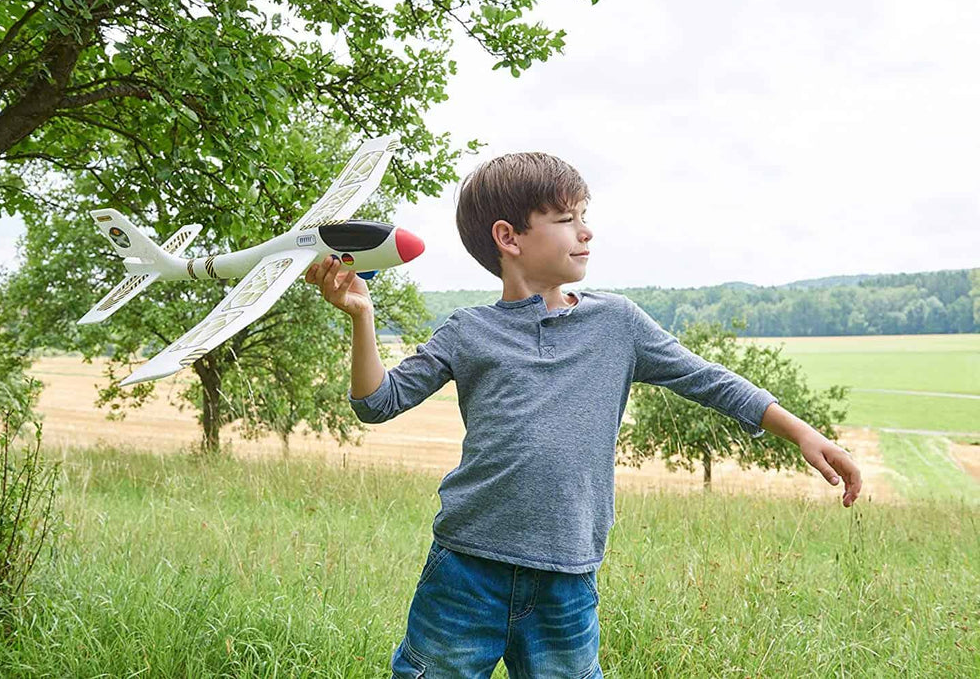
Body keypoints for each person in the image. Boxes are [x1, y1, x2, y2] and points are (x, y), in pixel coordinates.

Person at [303, 152, 862, 678]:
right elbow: (377, 403)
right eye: (567, 219)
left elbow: (710, 380)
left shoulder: (618, 324)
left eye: (584, 217)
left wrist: (802, 432)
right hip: (465, 570)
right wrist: (362, 317)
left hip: (567, 577)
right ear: (509, 237)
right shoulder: (466, 331)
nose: (586, 232)